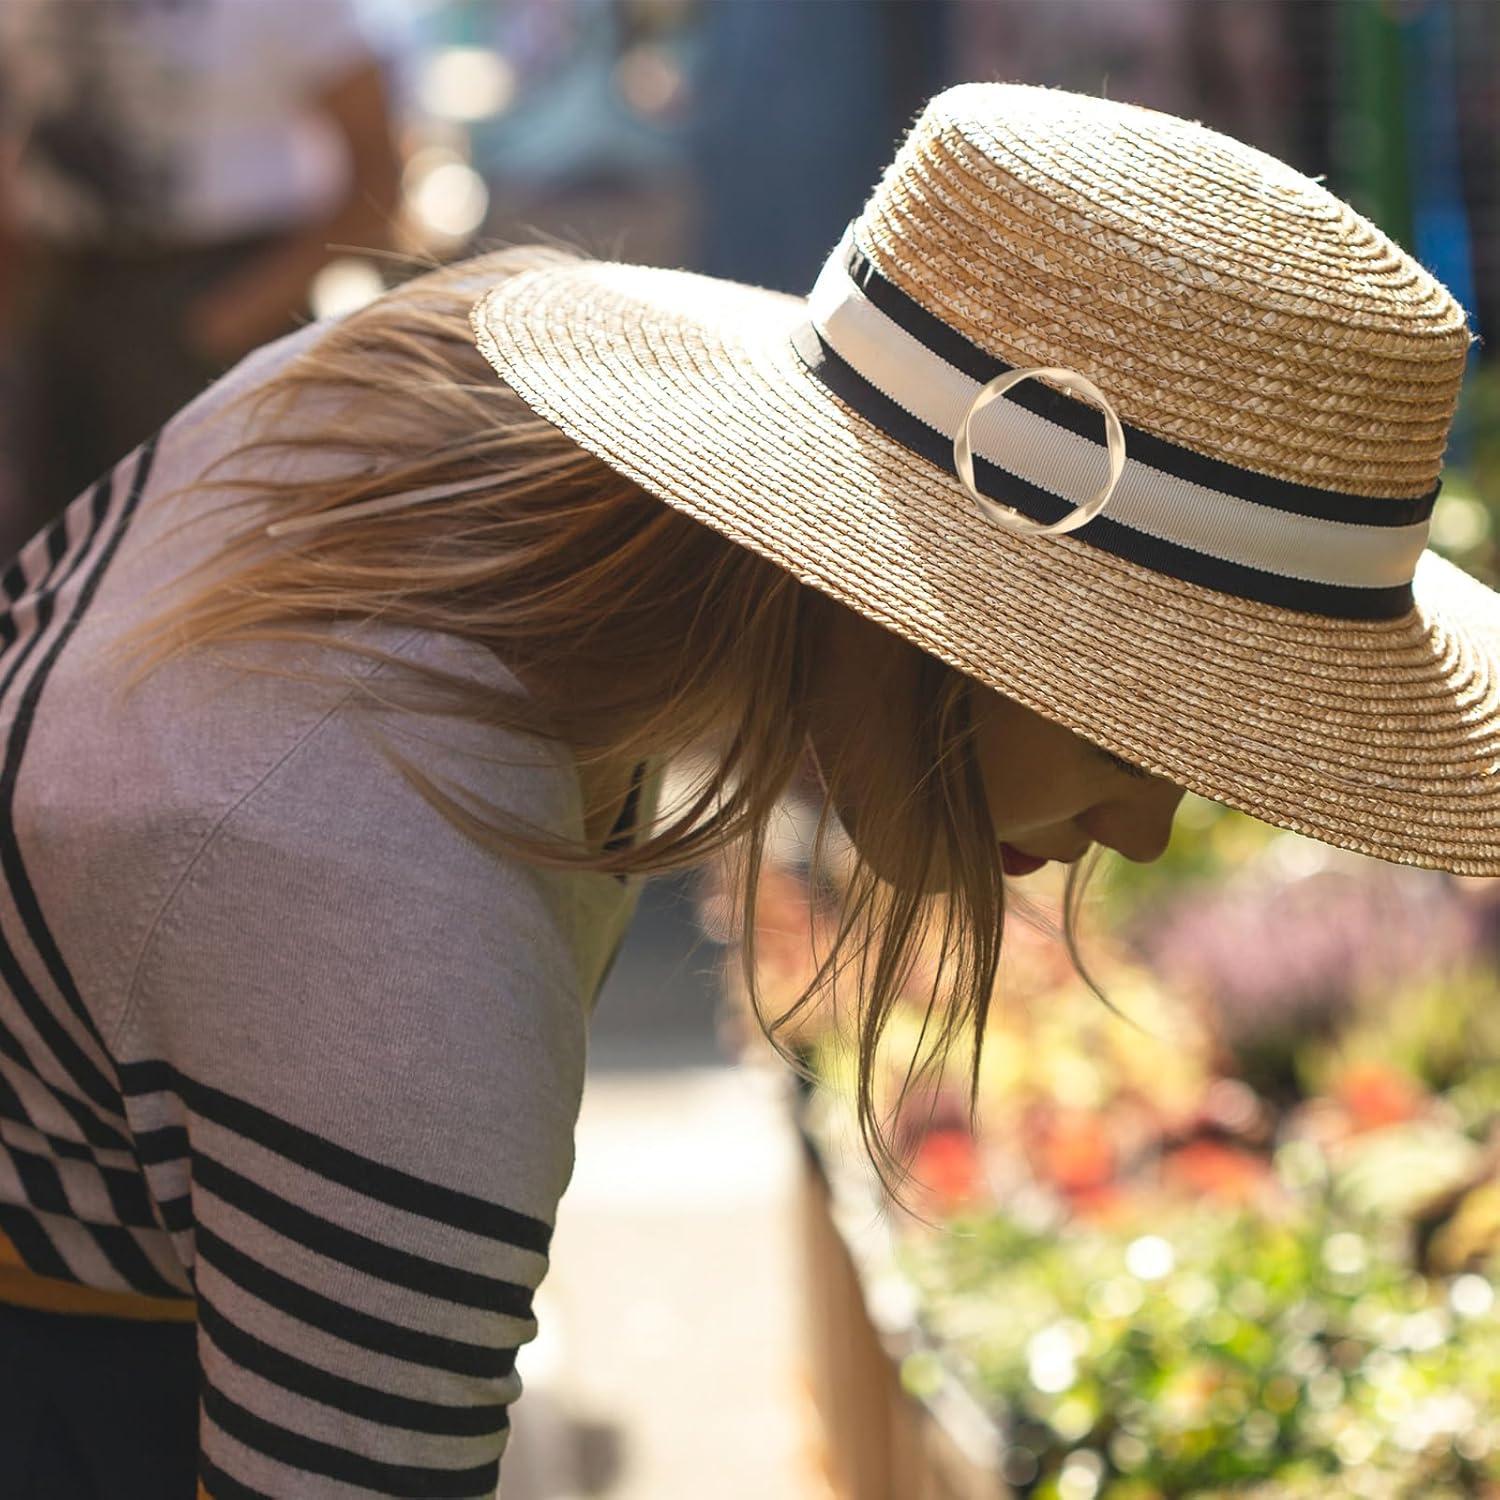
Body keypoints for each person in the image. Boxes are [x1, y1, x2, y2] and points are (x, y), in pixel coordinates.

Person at [0, 81, 1492, 1497]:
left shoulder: (431, 401)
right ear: (955, 620)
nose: (1148, 825)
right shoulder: (379, 932)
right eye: (1139, 730)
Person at [0, 0, 407, 562]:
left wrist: (226, 321)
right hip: (60, 296)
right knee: (51, 557)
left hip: (215, 291)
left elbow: (379, 181)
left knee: (206, 556)